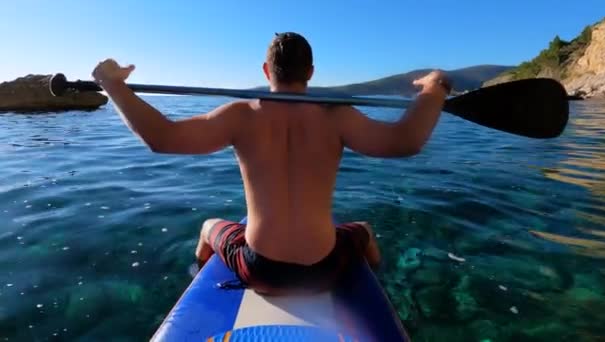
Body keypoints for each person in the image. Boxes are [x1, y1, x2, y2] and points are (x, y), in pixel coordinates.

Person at [92, 32, 451, 294]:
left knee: (208, 226)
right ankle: (376, 287)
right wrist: (434, 90)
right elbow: (406, 141)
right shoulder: (337, 116)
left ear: (267, 71)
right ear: (310, 72)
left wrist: (114, 85)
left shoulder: (241, 115)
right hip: (324, 267)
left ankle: (201, 283)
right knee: (364, 231)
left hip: (259, 269)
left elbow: (162, 138)